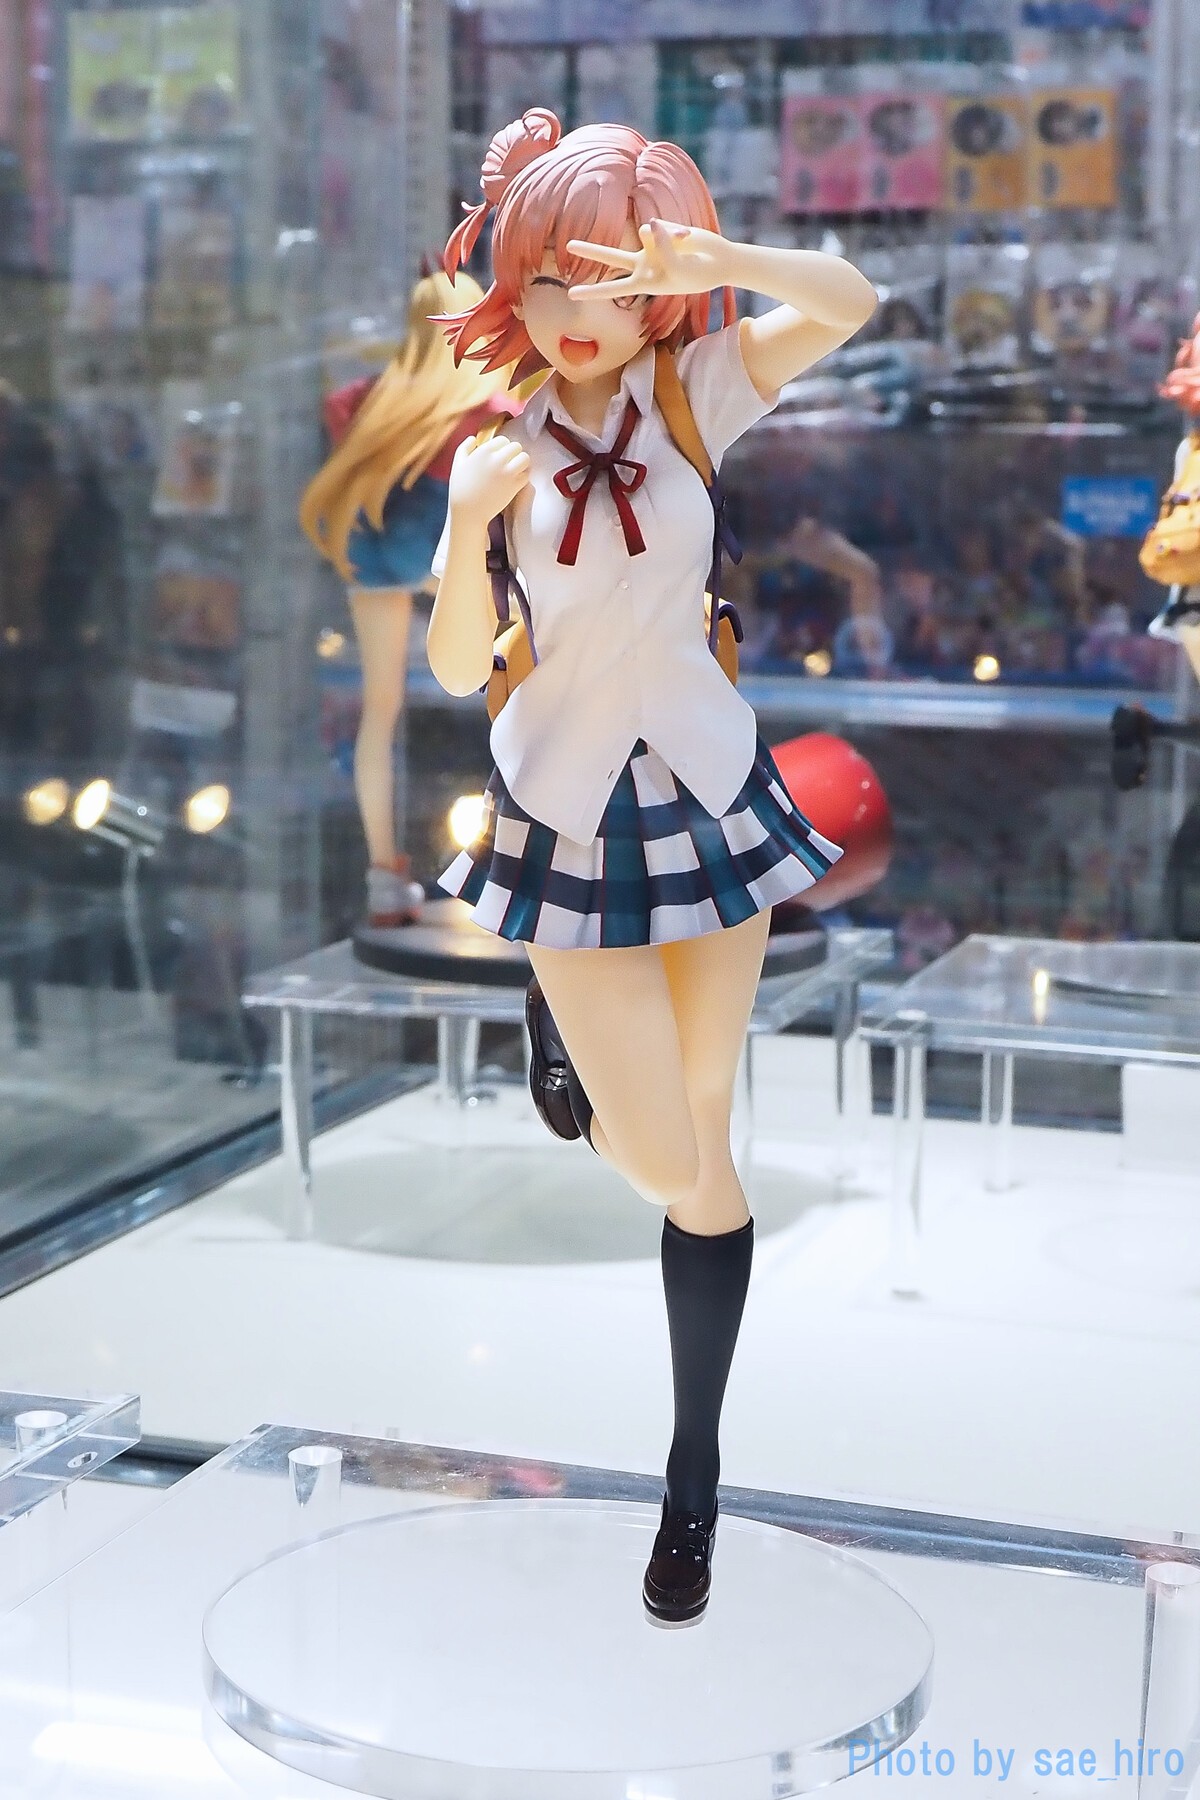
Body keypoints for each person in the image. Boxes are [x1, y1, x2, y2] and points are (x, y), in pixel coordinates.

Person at [427, 108, 875, 1621]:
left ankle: (695, 1479)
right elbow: (453, 664)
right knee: (671, 1164)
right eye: (549, 282)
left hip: (706, 785)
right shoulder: (498, 444)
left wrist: (717, 263)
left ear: (651, 286)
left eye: (606, 280)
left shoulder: (693, 392)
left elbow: (851, 300)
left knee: (707, 1153)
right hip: (562, 804)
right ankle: (553, 1018)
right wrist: (462, 529)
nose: (574, 313)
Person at [300, 269, 519, 926]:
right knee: (512, 683)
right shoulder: (485, 404)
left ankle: (383, 877)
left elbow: (335, 410)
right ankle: (521, 859)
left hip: (373, 552)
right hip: (441, 551)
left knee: (380, 710)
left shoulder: (365, 399)